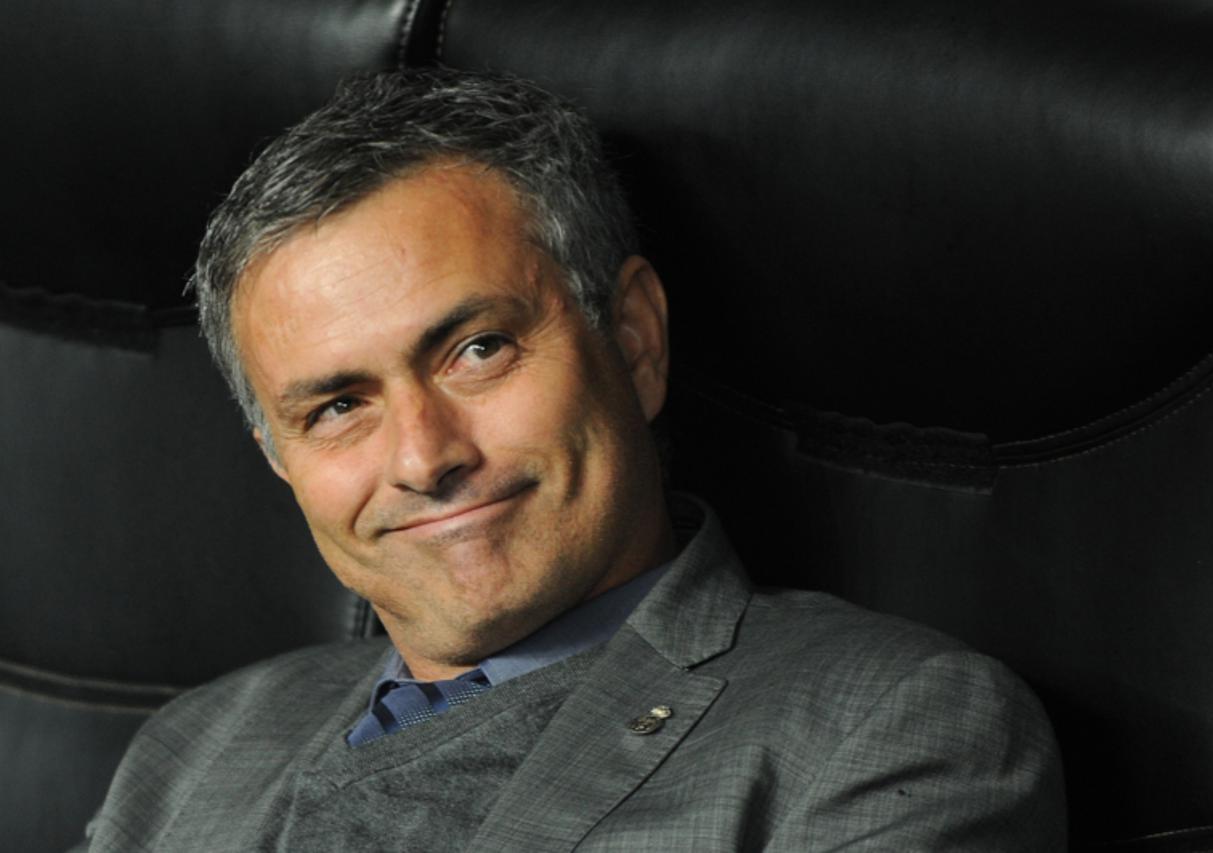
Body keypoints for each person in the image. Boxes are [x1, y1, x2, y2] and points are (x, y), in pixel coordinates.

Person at [78, 68, 1065, 851]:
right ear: (278, 457)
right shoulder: (193, 751)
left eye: (477, 349)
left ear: (632, 340)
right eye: (338, 405)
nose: (424, 456)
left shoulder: (884, 730)